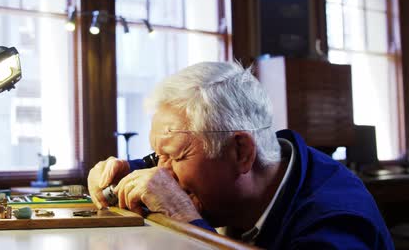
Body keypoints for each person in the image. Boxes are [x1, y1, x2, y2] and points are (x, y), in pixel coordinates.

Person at [88, 61, 393, 249]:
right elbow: (164, 166)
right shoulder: (275, 161)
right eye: (158, 156)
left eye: (176, 157)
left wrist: (186, 219)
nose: (161, 174)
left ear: (241, 152)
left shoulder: (336, 219)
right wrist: (123, 171)